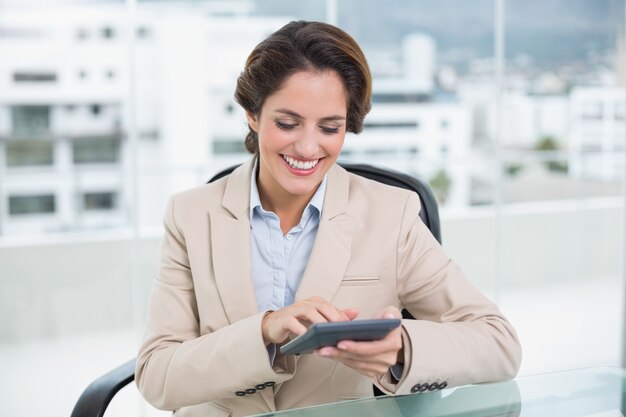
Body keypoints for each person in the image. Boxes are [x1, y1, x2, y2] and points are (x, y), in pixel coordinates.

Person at [136, 20, 522, 417]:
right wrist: (264, 331)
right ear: (253, 114)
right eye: (287, 124)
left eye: (330, 127)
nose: (307, 147)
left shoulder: (392, 215)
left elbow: (499, 345)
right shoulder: (191, 214)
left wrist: (403, 348)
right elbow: (156, 374)